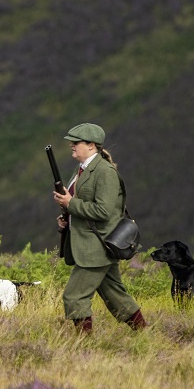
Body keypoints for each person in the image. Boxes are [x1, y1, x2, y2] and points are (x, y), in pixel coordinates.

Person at [53, 123, 146, 334]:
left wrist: (71, 204)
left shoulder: (104, 172)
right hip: (92, 245)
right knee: (115, 294)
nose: (71, 145)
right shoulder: (82, 171)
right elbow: (83, 205)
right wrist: (66, 216)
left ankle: (84, 346)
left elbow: (104, 211)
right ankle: (144, 334)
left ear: (91, 145)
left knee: (74, 295)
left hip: (95, 247)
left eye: (75, 142)